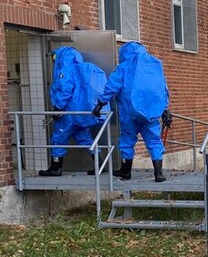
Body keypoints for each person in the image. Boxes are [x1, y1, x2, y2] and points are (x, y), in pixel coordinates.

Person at [92, 41, 171, 182]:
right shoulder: (153, 67)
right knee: (154, 141)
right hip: (150, 113)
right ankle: (159, 173)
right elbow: (162, 89)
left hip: (129, 112)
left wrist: (100, 104)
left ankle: (125, 171)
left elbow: (112, 86)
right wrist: (165, 109)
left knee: (127, 140)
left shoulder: (123, 67)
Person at [39, 46, 109, 176]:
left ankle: (56, 168)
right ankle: (100, 165)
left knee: (58, 139)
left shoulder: (66, 70)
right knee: (85, 138)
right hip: (81, 113)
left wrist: (58, 108)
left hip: (69, 113)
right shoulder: (81, 69)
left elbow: (65, 89)